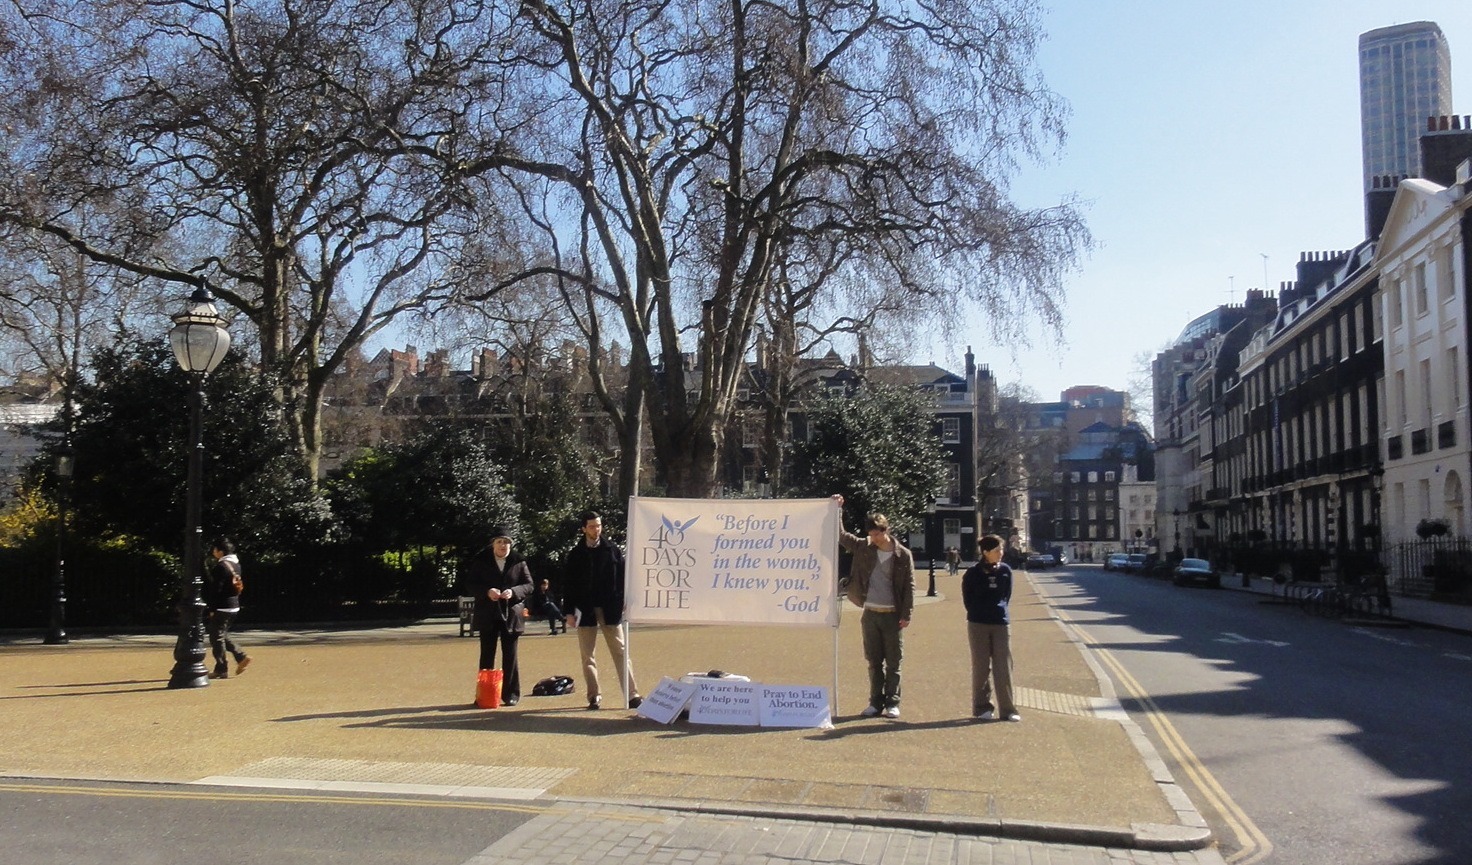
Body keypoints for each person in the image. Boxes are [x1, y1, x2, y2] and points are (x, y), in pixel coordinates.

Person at [833, 498, 915, 719]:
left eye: (877, 534)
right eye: (871, 535)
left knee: (894, 662)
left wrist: (907, 614)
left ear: (886, 530)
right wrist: (838, 510)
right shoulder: (864, 547)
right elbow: (842, 537)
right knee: (873, 661)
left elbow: (909, 585)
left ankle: (892, 703)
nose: (874, 539)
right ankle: (874, 703)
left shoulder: (903, 554)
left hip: (892, 614)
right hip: (870, 613)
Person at [562, 510, 641, 710]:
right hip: (584, 609)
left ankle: (632, 695)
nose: (596, 529)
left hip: (611, 608)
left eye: (598, 525)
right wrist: (568, 612)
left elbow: (624, 577)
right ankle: (594, 696)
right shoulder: (575, 554)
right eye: (591, 526)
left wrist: (626, 599)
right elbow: (568, 584)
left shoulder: (613, 550)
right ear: (583, 529)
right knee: (588, 656)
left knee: (621, 651)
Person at [459, 526, 535, 706]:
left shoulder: (518, 561)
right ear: (493, 544)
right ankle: (484, 695)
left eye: (507, 542)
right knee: (486, 655)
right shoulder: (481, 560)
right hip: (487, 613)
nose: (503, 545)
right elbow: (470, 584)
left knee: (511, 656)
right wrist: (487, 591)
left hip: (511, 614)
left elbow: (529, 585)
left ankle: (511, 695)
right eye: (500, 542)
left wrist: (513, 591)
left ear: (511, 545)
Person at [962, 534, 1019, 722]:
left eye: (1001, 549)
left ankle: (1008, 710)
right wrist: (980, 612)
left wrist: (999, 611)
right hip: (978, 623)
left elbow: (1006, 596)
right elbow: (968, 600)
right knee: (981, 667)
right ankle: (982, 708)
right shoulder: (972, 574)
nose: (1001, 553)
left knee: (1004, 667)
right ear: (985, 552)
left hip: (1001, 623)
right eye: (996, 550)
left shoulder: (1006, 571)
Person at [204, 538, 251, 679]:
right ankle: (240, 656)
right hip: (234, 606)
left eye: (215, 550)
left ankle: (221, 668)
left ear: (221, 551)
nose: (213, 552)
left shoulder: (221, 566)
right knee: (221, 634)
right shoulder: (236, 565)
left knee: (216, 638)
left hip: (222, 607)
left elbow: (216, 590)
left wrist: (212, 608)